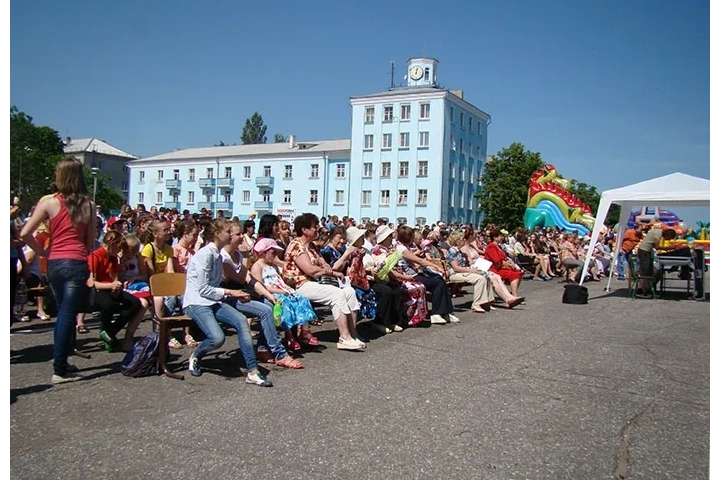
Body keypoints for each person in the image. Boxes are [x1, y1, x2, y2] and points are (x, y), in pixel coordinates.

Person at [20, 157, 97, 384]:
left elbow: (25, 233)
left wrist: (42, 252)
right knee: (66, 314)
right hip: (76, 262)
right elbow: (90, 241)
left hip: (54, 262)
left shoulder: (48, 202)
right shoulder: (88, 205)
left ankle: (62, 362)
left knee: (63, 312)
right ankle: (59, 369)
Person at [183, 218, 272, 386]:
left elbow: (215, 287)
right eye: (227, 232)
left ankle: (252, 371)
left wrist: (231, 295)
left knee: (241, 321)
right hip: (196, 303)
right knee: (217, 339)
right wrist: (231, 292)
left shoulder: (217, 254)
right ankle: (197, 354)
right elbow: (202, 289)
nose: (231, 234)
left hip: (213, 301)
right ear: (217, 234)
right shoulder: (205, 254)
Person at [282, 213, 365, 351]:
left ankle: (352, 334)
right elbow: (310, 270)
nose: (318, 229)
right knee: (336, 294)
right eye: (315, 227)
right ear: (304, 229)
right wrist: (331, 272)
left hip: (314, 283)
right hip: (299, 284)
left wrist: (326, 268)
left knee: (349, 291)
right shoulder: (296, 246)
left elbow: (324, 264)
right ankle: (344, 338)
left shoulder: (311, 247)